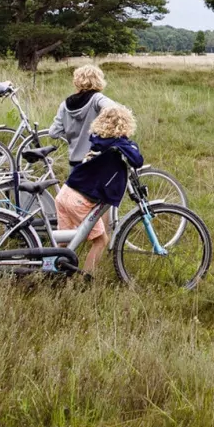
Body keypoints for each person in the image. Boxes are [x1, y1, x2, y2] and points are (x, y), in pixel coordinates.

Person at [53, 104, 142, 274]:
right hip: (78, 200)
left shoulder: (98, 142)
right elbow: (137, 160)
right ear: (125, 125)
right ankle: (85, 279)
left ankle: (52, 270)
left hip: (65, 193)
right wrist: (129, 144)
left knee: (64, 242)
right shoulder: (117, 146)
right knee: (101, 240)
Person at [46, 63, 116, 164]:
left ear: (76, 82)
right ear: (99, 81)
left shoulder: (64, 104)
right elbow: (114, 109)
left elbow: (53, 133)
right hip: (95, 159)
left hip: (75, 161)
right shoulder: (97, 99)